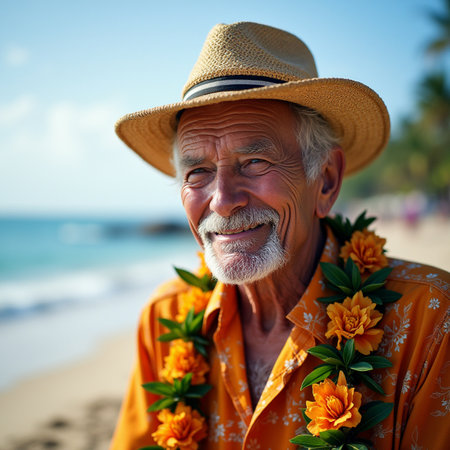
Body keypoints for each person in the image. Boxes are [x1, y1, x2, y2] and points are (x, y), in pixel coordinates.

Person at [111, 22, 449, 449]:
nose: (221, 201)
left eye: (254, 161)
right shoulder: (166, 320)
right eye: (198, 172)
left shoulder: (431, 323)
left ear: (325, 181)